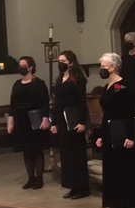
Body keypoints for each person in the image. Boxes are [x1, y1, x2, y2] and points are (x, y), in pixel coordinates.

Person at [96, 53, 135, 208]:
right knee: (112, 165)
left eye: (104, 66)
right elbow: (106, 113)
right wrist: (101, 135)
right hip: (110, 130)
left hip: (123, 129)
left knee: (126, 165)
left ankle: (130, 202)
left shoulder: (125, 86)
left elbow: (129, 113)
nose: (102, 69)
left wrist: (130, 137)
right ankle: (115, 201)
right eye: (101, 66)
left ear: (113, 67)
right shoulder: (107, 87)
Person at [51, 50, 90, 199]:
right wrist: (54, 121)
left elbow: (81, 101)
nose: (60, 63)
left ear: (71, 63)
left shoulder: (78, 79)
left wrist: (81, 122)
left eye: (63, 61)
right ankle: (72, 185)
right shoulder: (60, 78)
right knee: (66, 153)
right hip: (62, 118)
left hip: (74, 117)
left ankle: (82, 187)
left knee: (77, 153)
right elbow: (56, 102)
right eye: (59, 61)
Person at [7, 56, 50, 189]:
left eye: (24, 65)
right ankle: (30, 178)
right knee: (26, 150)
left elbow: (44, 103)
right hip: (21, 119)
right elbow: (12, 104)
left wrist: (45, 118)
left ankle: (39, 178)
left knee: (36, 149)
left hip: (34, 117)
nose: (21, 67)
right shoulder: (17, 84)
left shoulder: (39, 83)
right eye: (20, 65)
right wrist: (10, 120)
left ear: (30, 67)